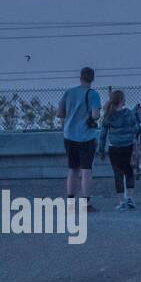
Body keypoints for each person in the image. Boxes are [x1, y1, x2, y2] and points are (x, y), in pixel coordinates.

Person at [57, 67, 102, 211]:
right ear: (93, 78)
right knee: (86, 170)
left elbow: (60, 113)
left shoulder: (69, 92)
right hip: (86, 137)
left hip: (69, 135)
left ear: (80, 77)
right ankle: (86, 203)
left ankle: (70, 202)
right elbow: (95, 115)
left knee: (72, 169)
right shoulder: (93, 94)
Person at [97, 89, 141, 210]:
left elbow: (103, 135)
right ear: (122, 101)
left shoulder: (108, 115)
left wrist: (101, 150)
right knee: (129, 171)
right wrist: (137, 116)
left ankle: (121, 202)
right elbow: (136, 130)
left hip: (114, 148)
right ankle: (130, 199)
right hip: (128, 146)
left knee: (118, 173)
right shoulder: (128, 113)